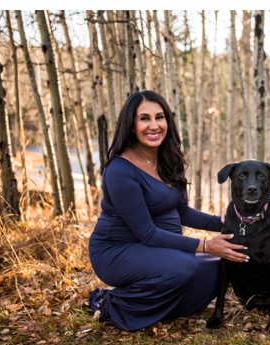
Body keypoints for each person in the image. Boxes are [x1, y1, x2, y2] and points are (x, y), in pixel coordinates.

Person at [87, 90, 248, 332]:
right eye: (144, 118)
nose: (154, 125)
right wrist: (205, 245)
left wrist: (225, 221)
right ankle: (109, 302)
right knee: (184, 266)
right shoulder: (120, 170)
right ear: (131, 125)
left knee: (218, 264)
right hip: (116, 251)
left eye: (159, 117)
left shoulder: (169, 161)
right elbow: (147, 233)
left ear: (167, 122)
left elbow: (182, 212)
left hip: (157, 249)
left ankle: (156, 309)